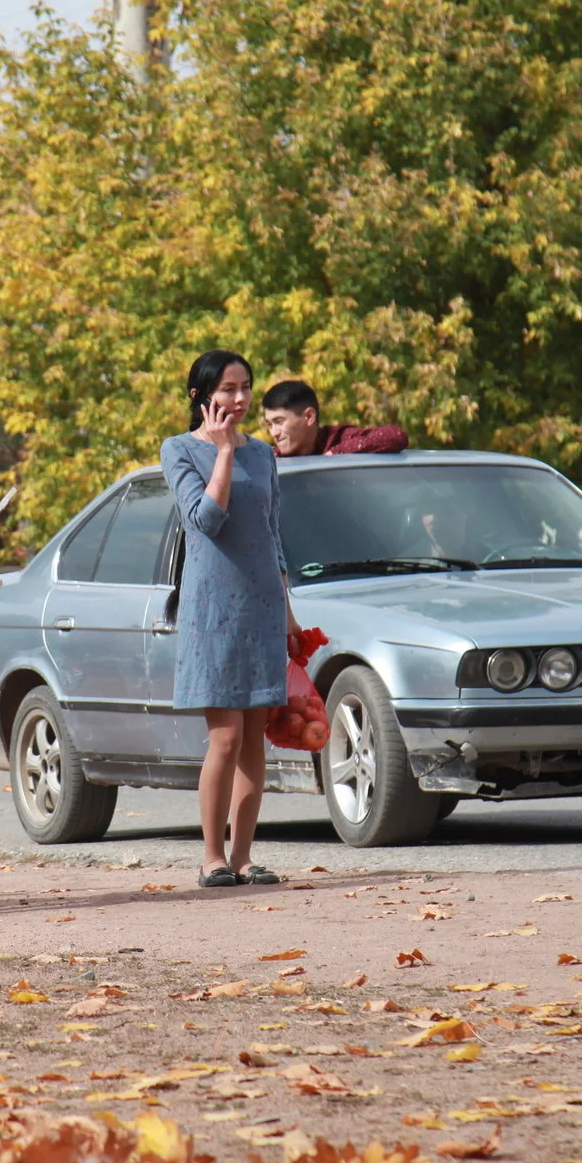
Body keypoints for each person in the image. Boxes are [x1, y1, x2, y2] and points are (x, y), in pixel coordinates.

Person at [161, 351, 308, 888]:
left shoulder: (265, 455)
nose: (240, 399)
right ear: (202, 396)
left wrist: (289, 614)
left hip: (263, 607)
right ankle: (211, 857)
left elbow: (272, 538)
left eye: (245, 387)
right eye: (227, 389)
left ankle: (245, 857)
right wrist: (222, 454)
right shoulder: (179, 449)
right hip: (212, 611)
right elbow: (206, 520)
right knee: (223, 738)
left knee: (253, 739)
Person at [259, 379, 410, 458]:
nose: (274, 433)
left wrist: (335, 455)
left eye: (279, 422)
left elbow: (395, 436)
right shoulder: (272, 460)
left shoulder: (338, 440)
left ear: (309, 417)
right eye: (269, 425)